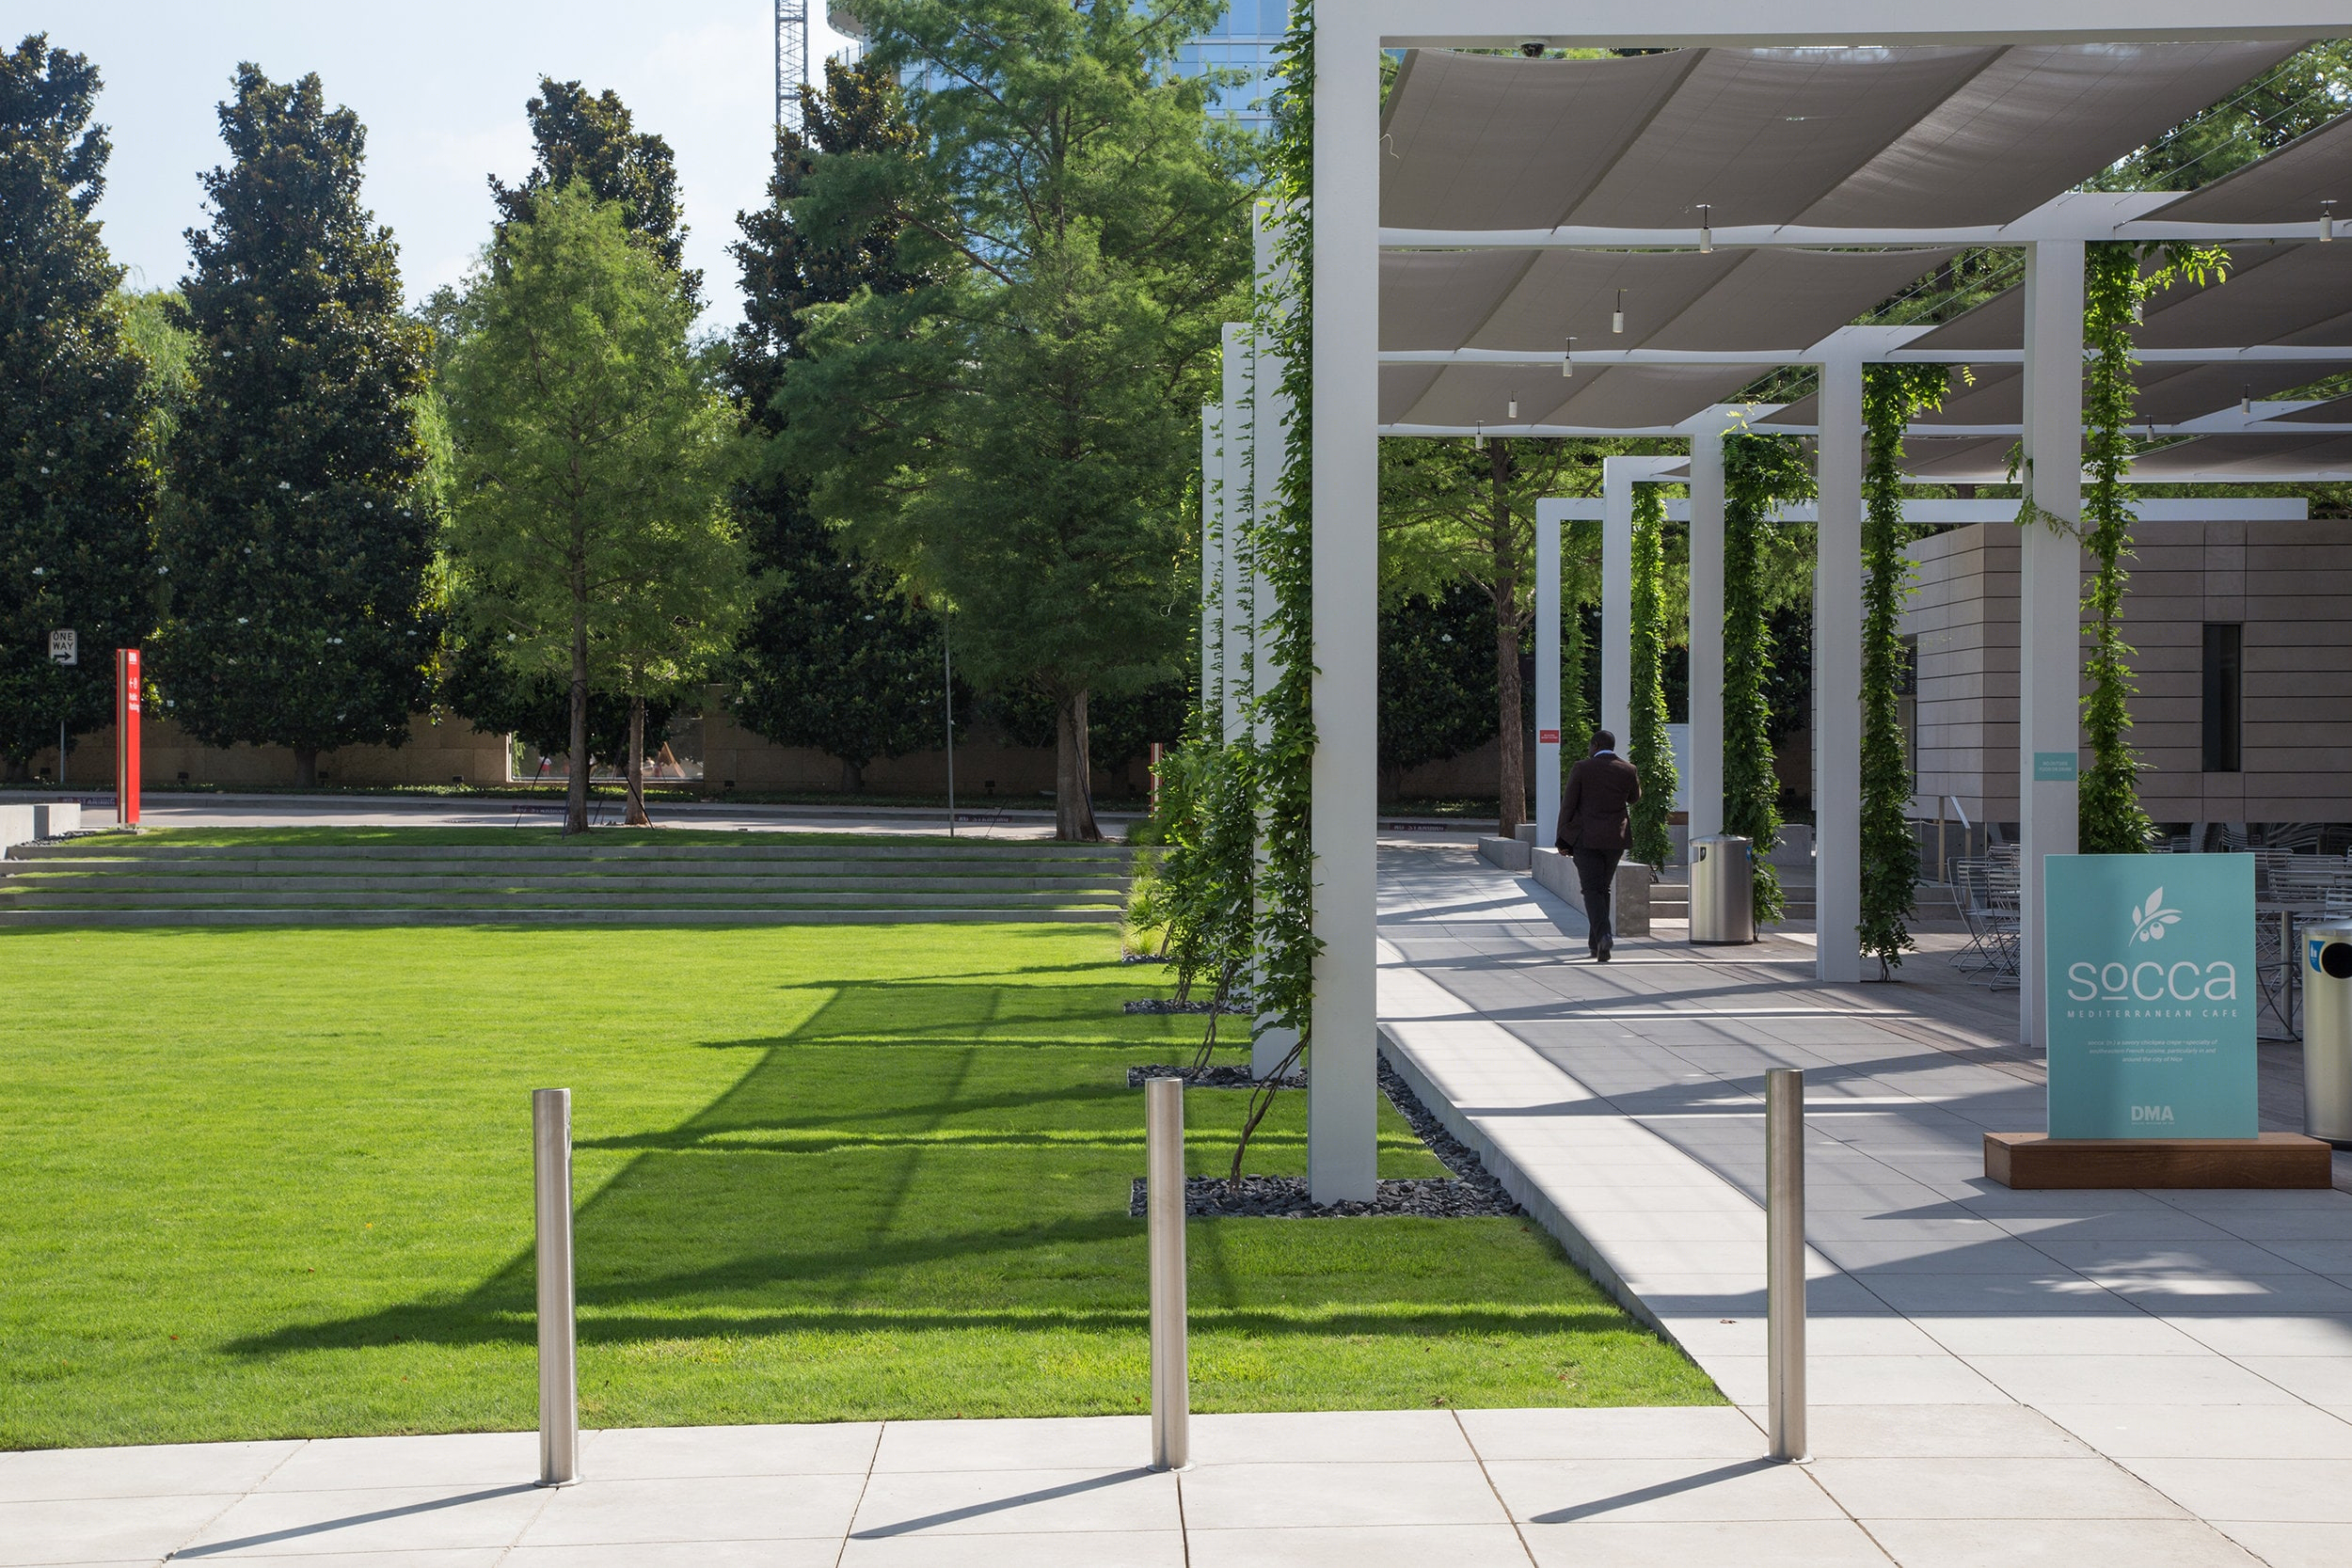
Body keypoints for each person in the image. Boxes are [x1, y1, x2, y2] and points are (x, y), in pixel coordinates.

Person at [1556, 729, 1642, 962]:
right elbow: (1634, 798)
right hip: (1616, 839)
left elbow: (1568, 805)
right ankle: (1596, 944)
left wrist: (1562, 839)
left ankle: (1604, 936)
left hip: (1587, 838)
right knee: (1602, 888)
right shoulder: (1628, 769)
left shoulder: (1582, 768)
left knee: (1592, 890)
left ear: (1594, 745)